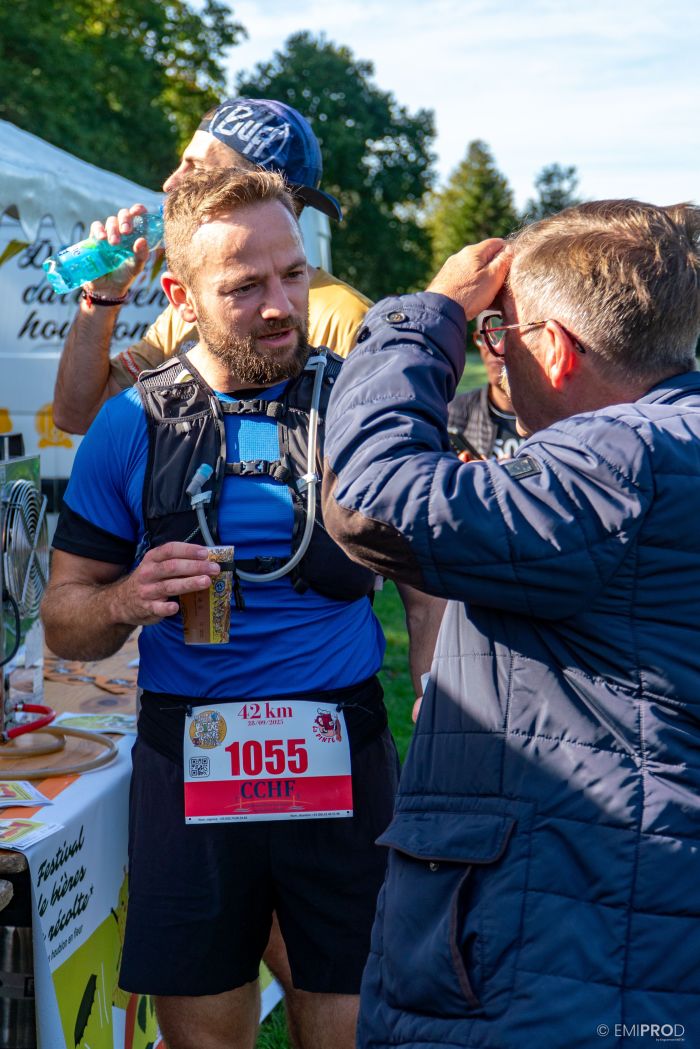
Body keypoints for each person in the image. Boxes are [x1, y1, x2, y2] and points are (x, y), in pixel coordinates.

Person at [41, 169, 442, 1049]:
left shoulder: (360, 410)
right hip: (190, 754)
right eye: (245, 285)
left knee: (350, 1021)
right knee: (204, 1034)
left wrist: (436, 698)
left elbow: (425, 586)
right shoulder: (131, 425)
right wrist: (127, 596)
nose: (280, 305)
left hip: (340, 744)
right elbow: (63, 621)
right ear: (180, 298)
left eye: (293, 275)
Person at [322, 200, 700, 1047]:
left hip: (566, 954)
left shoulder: (615, 459)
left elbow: (370, 499)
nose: (494, 353)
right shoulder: (671, 447)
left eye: (500, 333)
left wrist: (426, 318)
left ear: (554, 348)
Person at [53, 97, 372, 435]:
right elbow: (80, 416)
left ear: (248, 187)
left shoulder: (348, 319)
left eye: (196, 168)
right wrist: (102, 296)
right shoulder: (192, 309)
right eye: (244, 288)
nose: (171, 183)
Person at [447, 310, 524, 461]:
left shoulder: (555, 415)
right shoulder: (456, 412)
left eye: (503, 334)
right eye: (485, 337)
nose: (492, 348)